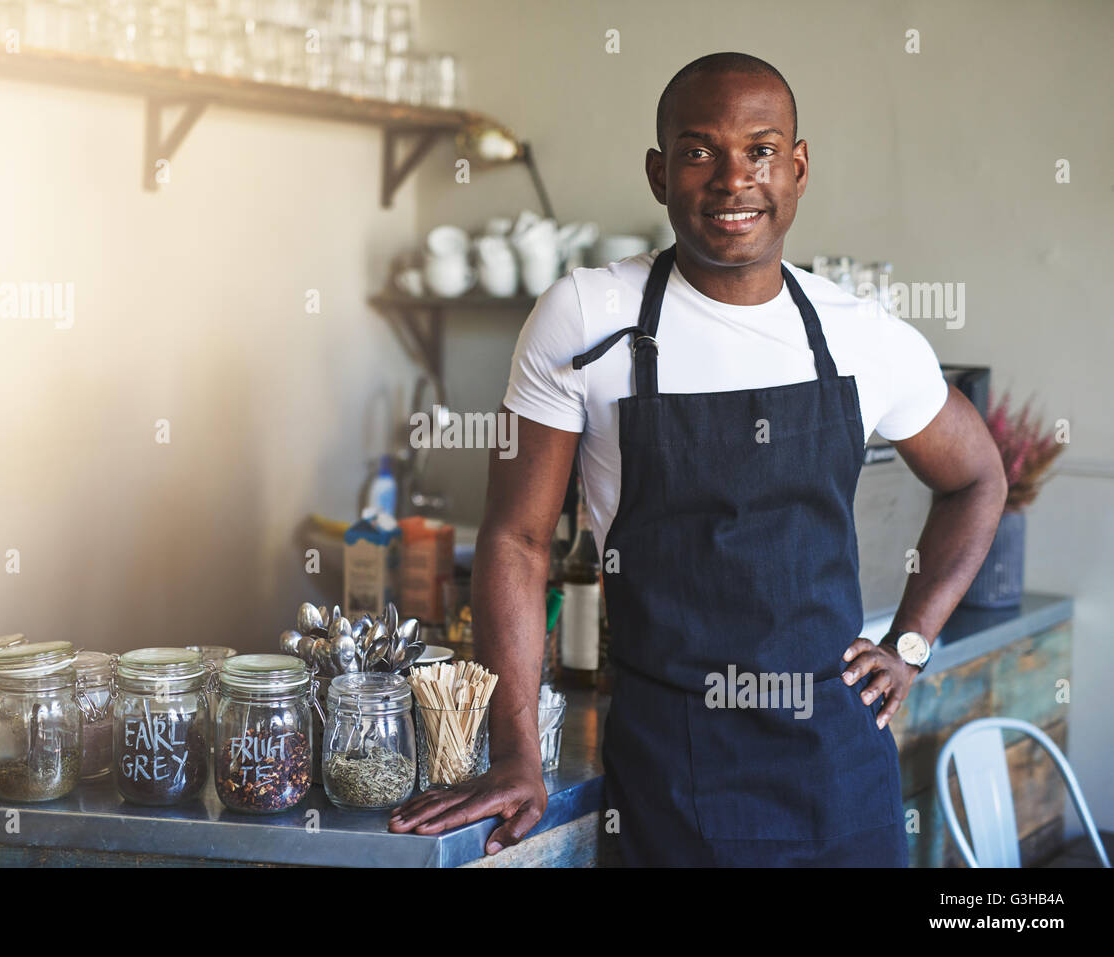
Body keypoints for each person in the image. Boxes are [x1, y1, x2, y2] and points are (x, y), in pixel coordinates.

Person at [389, 52, 1008, 866]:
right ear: (658, 173)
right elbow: (516, 539)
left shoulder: (863, 334)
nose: (732, 178)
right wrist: (517, 752)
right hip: (671, 768)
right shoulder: (583, 315)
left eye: (759, 149)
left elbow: (977, 478)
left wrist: (912, 643)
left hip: (840, 771)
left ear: (798, 166)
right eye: (698, 150)